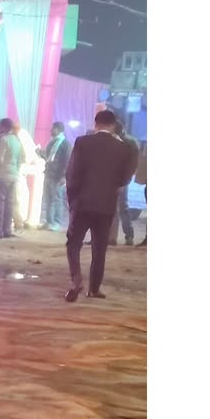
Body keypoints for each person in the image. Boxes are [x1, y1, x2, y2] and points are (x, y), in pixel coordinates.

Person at [64, 108, 138, 301]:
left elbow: (72, 173)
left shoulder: (82, 142)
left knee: (74, 244)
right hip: (106, 205)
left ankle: (76, 281)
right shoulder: (123, 148)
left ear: (95, 124)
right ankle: (94, 289)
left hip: (82, 203)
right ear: (113, 126)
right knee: (99, 248)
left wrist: (72, 200)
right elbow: (125, 178)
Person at [0, 117, 22, 239]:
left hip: (1, 176)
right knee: (9, 204)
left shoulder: (3, 140)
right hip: (13, 176)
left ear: (4, 127)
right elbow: (20, 160)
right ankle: (7, 229)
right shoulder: (16, 141)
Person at [107, 118, 141, 246]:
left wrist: (125, 181)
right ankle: (109, 236)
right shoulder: (111, 139)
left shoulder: (130, 142)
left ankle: (129, 235)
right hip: (109, 178)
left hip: (122, 179)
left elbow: (133, 164)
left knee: (122, 208)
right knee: (109, 208)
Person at [10, 121, 41, 231]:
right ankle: (19, 221)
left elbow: (26, 157)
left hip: (17, 173)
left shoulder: (18, 138)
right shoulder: (18, 138)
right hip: (18, 173)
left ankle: (19, 222)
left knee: (17, 199)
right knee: (18, 198)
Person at [40, 121, 71, 229]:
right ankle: (49, 221)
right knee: (48, 199)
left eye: (52, 128)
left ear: (58, 129)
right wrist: (40, 152)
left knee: (57, 199)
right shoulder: (53, 142)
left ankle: (56, 222)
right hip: (49, 174)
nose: (51, 130)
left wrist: (64, 176)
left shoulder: (65, 144)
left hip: (58, 176)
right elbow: (49, 158)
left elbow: (67, 161)